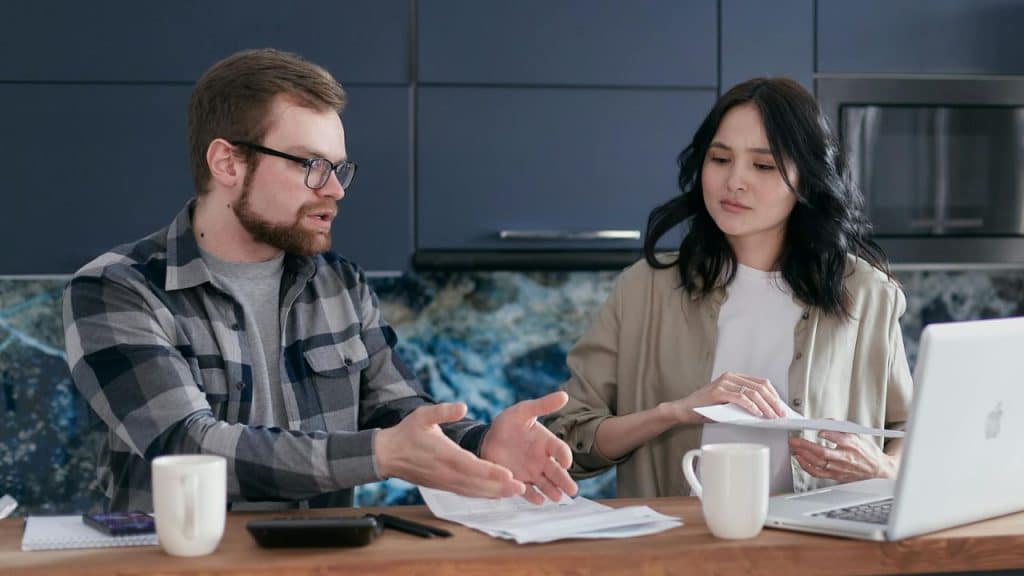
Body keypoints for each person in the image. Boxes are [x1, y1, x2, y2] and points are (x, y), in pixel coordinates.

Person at [63, 48, 577, 512]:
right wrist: (379, 455)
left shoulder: (340, 286)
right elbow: (186, 447)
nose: (334, 189)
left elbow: (399, 415)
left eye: (338, 168)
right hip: (183, 566)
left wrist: (482, 443)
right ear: (227, 163)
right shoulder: (117, 290)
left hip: (323, 561)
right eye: (311, 164)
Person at [546, 77, 912, 498]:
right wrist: (675, 413)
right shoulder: (643, 289)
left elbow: (907, 425)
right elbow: (571, 436)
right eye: (720, 159)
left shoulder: (865, 292)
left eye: (763, 165)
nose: (734, 181)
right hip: (680, 552)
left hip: (823, 550)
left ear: (808, 180)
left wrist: (884, 467)